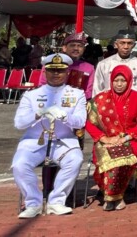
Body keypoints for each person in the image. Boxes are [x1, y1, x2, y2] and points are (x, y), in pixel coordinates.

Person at [13, 54, 87, 218]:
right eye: (52, 70)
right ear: (45, 72)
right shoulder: (31, 95)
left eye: (60, 71)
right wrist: (38, 114)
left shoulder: (76, 94)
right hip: (35, 141)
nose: (56, 74)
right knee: (19, 165)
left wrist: (64, 116)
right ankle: (33, 202)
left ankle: (56, 201)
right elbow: (19, 123)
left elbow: (81, 121)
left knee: (75, 160)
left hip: (63, 140)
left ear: (67, 72)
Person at [85, 64, 137, 211]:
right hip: (106, 140)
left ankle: (113, 196)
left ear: (129, 81)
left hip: (130, 140)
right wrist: (104, 138)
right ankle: (114, 196)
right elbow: (88, 122)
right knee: (105, 157)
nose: (119, 84)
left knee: (121, 158)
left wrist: (125, 138)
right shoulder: (101, 98)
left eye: (123, 81)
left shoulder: (136, 97)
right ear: (111, 81)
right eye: (116, 80)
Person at [92, 29, 137, 98]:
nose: (126, 47)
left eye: (129, 43)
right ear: (116, 44)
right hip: (109, 105)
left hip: (132, 106)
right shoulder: (104, 64)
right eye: (122, 43)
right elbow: (97, 90)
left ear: (134, 45)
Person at [36, 32, 96, 98]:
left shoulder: (89, 68)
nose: (76, 48)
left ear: (83, 49)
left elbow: (90, 92)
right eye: (72, 45)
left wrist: (74, 99)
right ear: (64, 48)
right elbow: (42, 86)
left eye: (80, 46)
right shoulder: (51, 64)